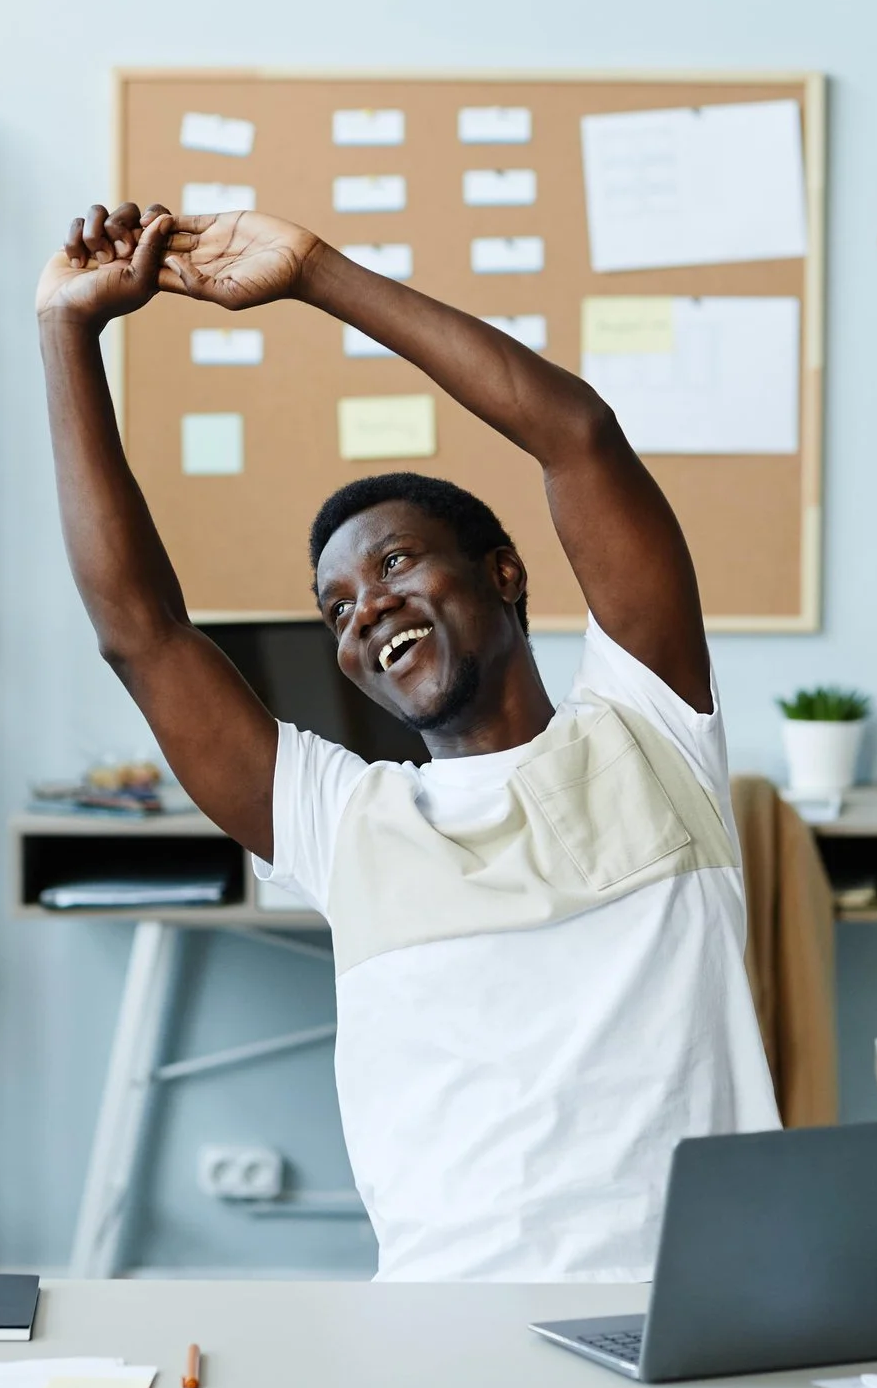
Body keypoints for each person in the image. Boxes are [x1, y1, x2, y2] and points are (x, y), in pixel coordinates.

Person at [38, 201, 777, 1282]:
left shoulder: (651, 726)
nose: (365, 612)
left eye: (391, 566)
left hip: (698, 1305)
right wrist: (65, 331)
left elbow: (574, 434)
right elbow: (140, 634)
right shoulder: (341, 821)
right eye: (334, 607)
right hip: (448, 1335)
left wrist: (316, 275)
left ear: (504, 573)